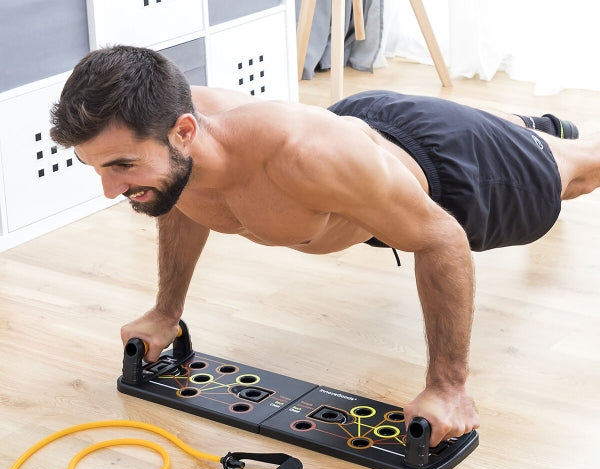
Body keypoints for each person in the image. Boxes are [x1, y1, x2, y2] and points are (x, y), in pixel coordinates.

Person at [50, 46, 599, 447]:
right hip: (363, 133)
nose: (110, 188)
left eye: (122, 166)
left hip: (448, 177)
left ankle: (537, 143)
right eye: (97, 167)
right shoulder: (175, 149)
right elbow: (182, 201)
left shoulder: (303, 156)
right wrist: (165, 312)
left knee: (577, 172)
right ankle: (524, 127)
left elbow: (440, 237)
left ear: (185, 131)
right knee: (494, 141)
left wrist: (447, 387)